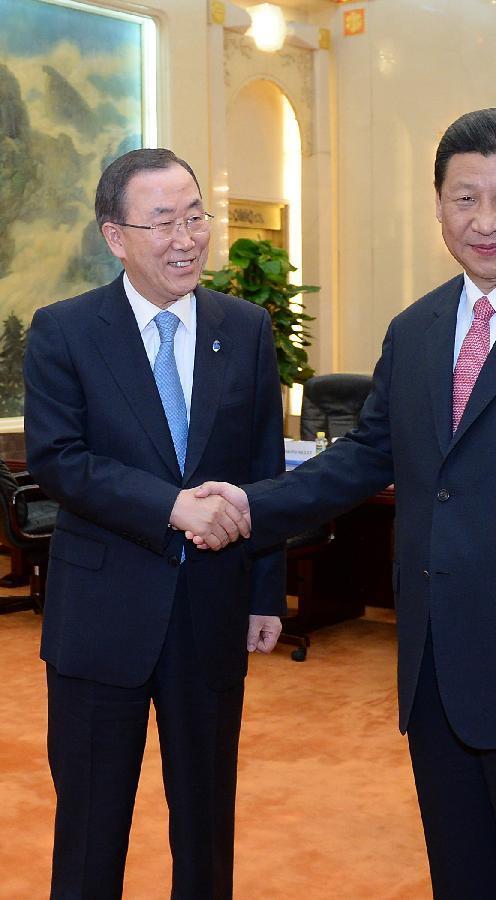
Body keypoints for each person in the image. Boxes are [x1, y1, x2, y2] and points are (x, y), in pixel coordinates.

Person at [196, 109, 496, 899]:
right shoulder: (416, 328)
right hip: (435, 673)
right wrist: (252, 506)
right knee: (462, 879)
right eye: (464, 199)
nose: (484, 222)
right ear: (437, 204)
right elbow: (367, 455)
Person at [23, 148, 285, 899]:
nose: (187, 238)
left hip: (210, 610)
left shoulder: (246, 328)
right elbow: (60, 460)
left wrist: (265, 591)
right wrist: (168, 505)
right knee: (90, 827)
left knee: (205, 824)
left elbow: (263, 468)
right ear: (116, 235)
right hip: (100, 619)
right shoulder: (65, 331)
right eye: (163, 221)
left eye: (196, 216)